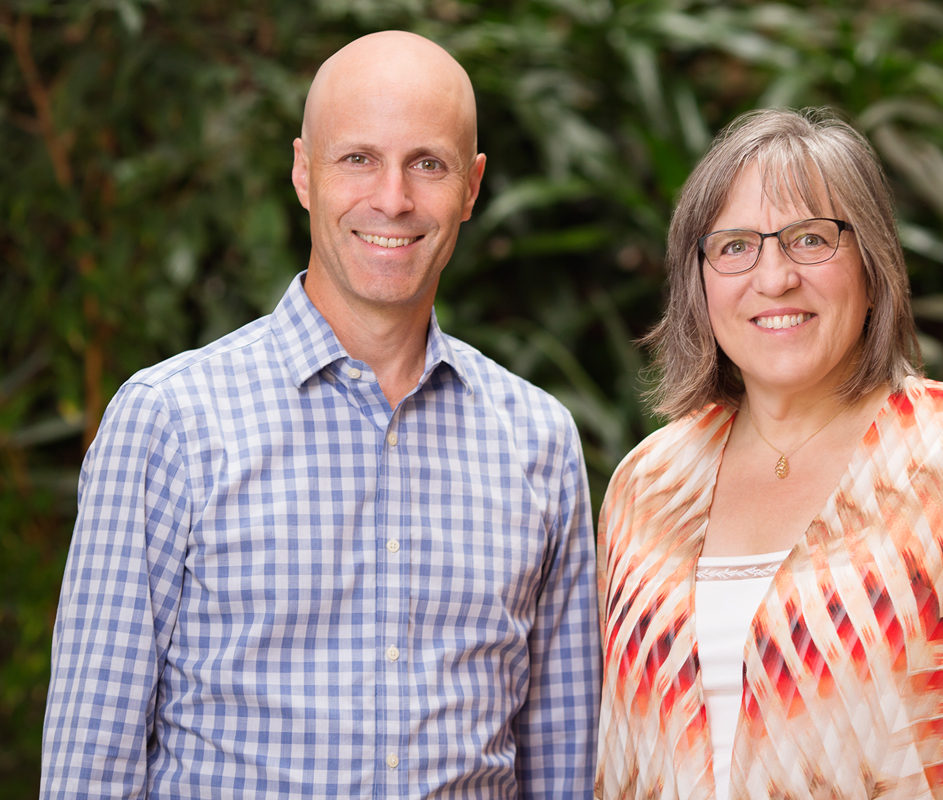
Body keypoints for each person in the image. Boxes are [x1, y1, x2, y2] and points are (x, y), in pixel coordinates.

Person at [41, 31, 598, 799]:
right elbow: (89, 763)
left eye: (426, 164)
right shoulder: (168, 424)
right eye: (358, 159)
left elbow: (562, 763)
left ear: (471, 188)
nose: (393, 199)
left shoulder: (539, 440)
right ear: (305, 172)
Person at [595, 108, 943, 800]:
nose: (773, 277)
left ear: (872, 264)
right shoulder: (646, 487)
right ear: (699, 279)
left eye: (811, 239)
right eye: (736, 246)